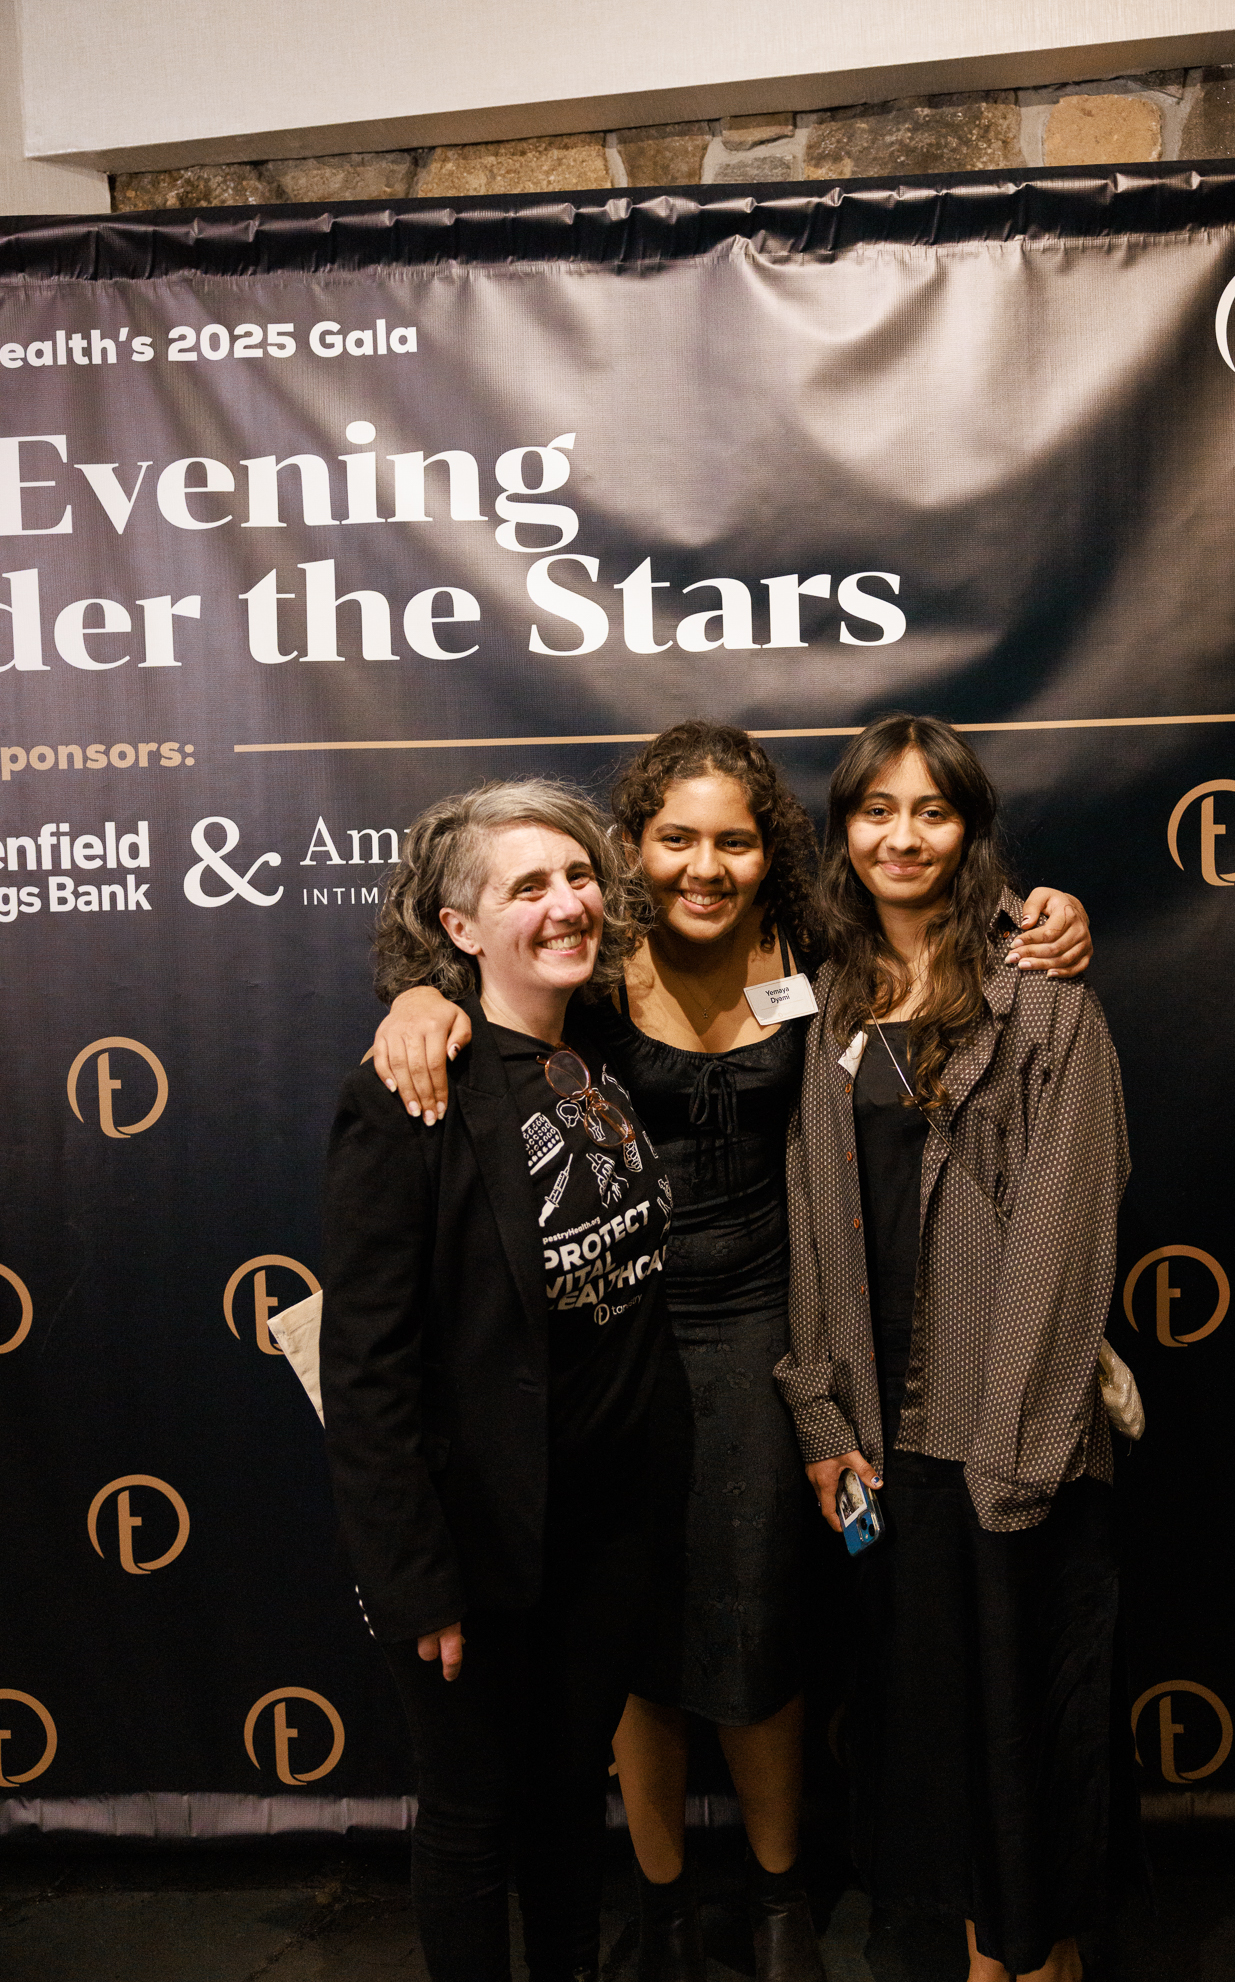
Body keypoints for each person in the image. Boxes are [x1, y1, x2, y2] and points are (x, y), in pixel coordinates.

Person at [370, 724, 1094, 1982]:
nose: (704, 866)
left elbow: (940, 927)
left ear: (773, 852)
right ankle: (661, 1902)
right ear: (632, 847)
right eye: (675, 839)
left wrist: (1049, 912)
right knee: (629, 1626)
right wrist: (416, 997)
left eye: (734, 841)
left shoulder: (814, 946)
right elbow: (475, 977)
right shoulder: (589, 959)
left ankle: (776, 1897)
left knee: (760, 1617)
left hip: (771, 1320)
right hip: (616, 1325)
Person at [777, 716, 1132, 1982]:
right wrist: (823, 1420)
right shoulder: (825, 995)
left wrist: (1016, 1455)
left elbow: (1066, 1227)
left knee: (1026, 1717)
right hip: (883, 1437)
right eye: (876, 809)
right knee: (931, 1722)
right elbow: (810, 1213)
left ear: (971, 829)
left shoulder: (1042, 993)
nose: (902, 835)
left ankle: (1036, 1955)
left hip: (1005, 1434)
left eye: (931, 810)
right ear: (843, 830)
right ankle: (983, 1948)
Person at [319, 779, 682, 1982]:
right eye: (526, 886)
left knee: (571, 1793)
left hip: (607, 1531)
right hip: (472, 1542)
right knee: (473, 1814)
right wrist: (413, 1577)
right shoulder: (407, 1093)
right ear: (458, 926)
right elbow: (366, 1371)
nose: (566, 902)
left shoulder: (605, 1042)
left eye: (577, 875)